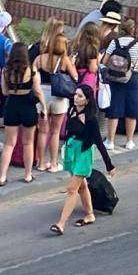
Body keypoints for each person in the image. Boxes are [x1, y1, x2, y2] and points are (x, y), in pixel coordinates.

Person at [50, 84, 114, 236]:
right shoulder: (72, 110)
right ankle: (90, 214)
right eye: (75, 95)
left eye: (80, 96)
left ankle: (61, 223)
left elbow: (98, 142)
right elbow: (68, 132)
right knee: (82, 186)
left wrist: (109, 165)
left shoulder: (91, 119)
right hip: (72, 152)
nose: (76, 98)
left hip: (84, 154)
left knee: (72, 189)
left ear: (86, 100)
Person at [0, 42, 46, 186]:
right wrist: (44, 108)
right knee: (28, 143)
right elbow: (37, 91)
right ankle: (28, 174)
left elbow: (4, 91)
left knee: (9, 143)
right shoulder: (32, 70)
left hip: (11, 105)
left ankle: (2, 176)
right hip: (28, 106)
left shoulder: (6, 70)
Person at [33, 30, 78, 171]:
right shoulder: (65, 61)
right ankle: (53, 163)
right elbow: (75, 77)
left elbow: (33, 75)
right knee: (55, 132)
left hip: (42, 94)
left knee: (42, 131)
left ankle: (40, 163)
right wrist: (73, 63)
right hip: (59, 96)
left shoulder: (39, 59)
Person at [103, 18, 138, 148]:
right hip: (133, 78)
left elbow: (105, 60)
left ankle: (110, 141)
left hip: (115, 78)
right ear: (133, 29)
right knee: (132, 110)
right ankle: (129, 141)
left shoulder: (114, 42)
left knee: (114, 109)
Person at [72, 21, 103, 91]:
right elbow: (92, 69)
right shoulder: (92, 49)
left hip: (73, 76)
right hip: (86, 80)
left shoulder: (74, 44)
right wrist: (99, 60)